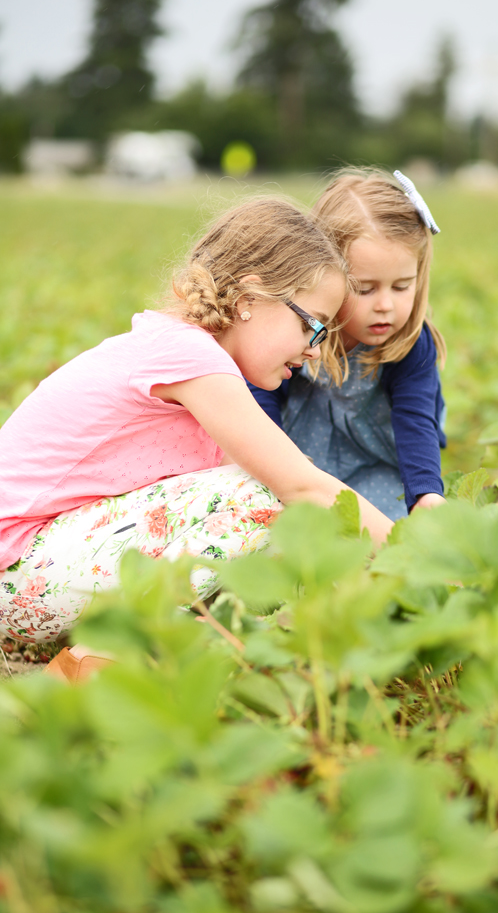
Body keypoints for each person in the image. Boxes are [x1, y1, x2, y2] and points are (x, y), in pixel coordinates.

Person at [0, 197, 393, 643]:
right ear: (249, 297)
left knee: (267, 510)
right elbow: (302, 485)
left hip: (39, 564)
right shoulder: (189, 355)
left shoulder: (182, 354)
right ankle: (107, 659)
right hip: (17, 568)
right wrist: (413, 555)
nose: (315, 350)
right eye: (312, 326)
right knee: (260, 492)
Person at [249, 170, 447, 522]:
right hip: (298, 454)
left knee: (379, 526)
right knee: (283, 523)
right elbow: (262, 397)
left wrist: (426, 493)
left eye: (401, 286)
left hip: (377, 461)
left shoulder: (411, 343)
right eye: (365, 289)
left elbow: (415, 420)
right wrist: (277, 465)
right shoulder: (298, 328)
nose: (385, 304)